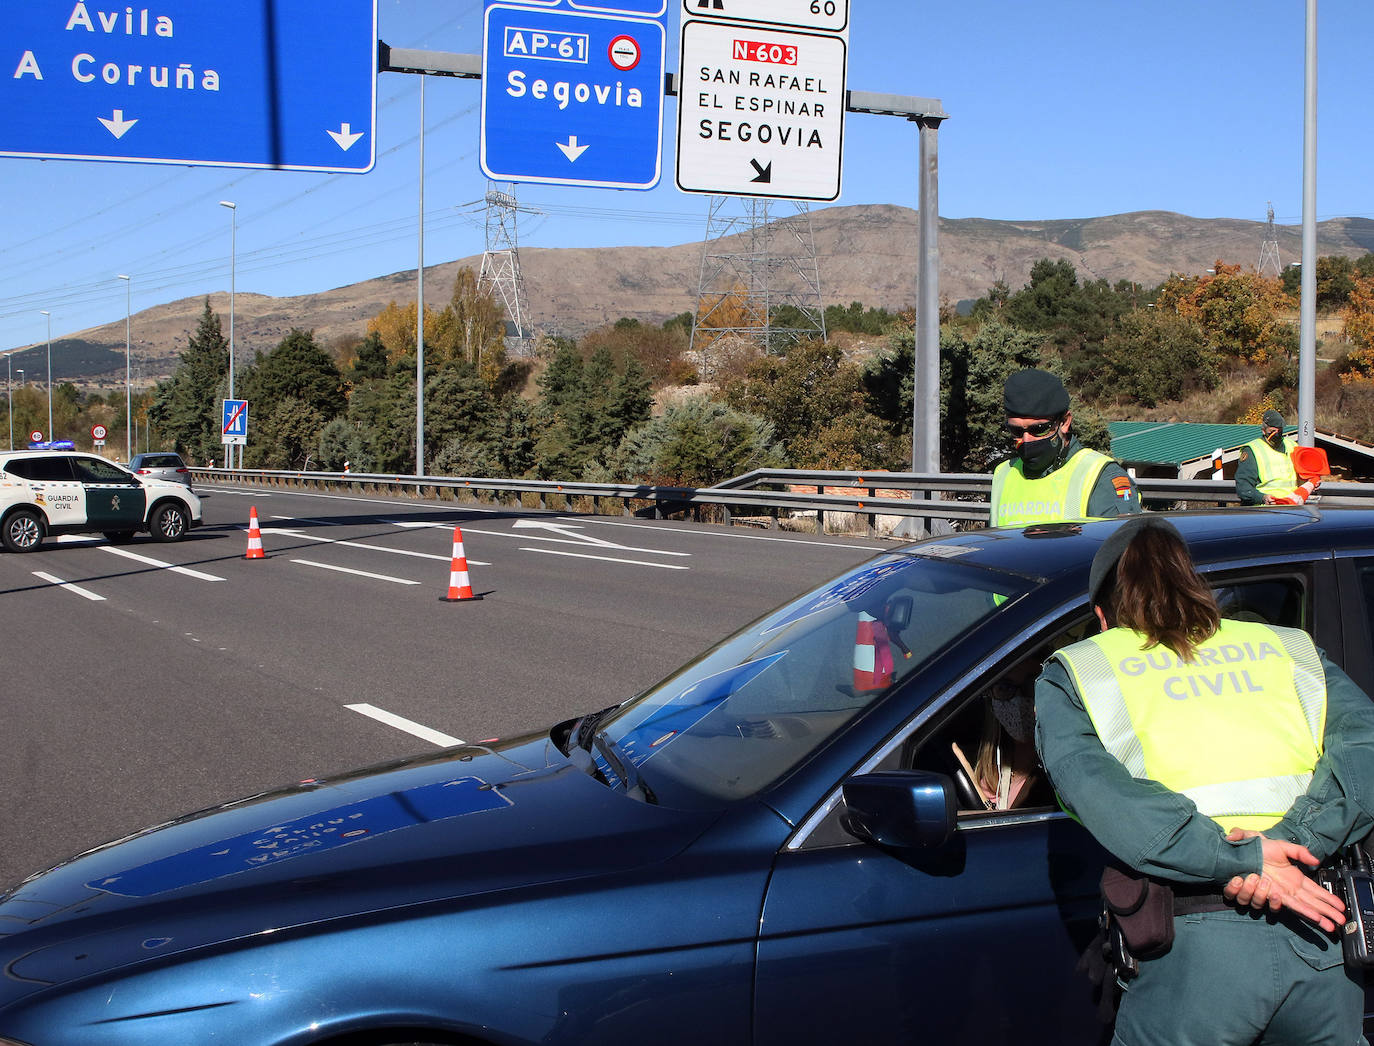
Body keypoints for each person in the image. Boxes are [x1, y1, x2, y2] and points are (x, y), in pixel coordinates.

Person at [1035, 515, 1374, 1045]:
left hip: (1193, 954)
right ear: (1198, 587)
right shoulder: (1289, 648)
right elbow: (1363, 753)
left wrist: (1250, 859)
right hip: (1320, 935)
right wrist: (1294, 844)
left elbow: (1106, 796)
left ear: (1103, 617)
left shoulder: (1082, 670)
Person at [989, 368, 1140, 527]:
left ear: (1064, 422)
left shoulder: (1100, 476)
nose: (1027, 440)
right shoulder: (1003, 474)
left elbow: (1121, 548)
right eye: (1016, 431)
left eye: (1039, 429)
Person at [1236, 408, 1319, 505]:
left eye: (1279, 431)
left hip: (1292, 507)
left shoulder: (1292, 446)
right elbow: (1244, 487)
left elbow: (1301, 477)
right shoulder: (1252, 450)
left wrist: (1310, 483)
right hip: (1266, 510)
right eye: (1273, 431)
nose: (1276, 434)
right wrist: (1262, 498)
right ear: (1264, 431)